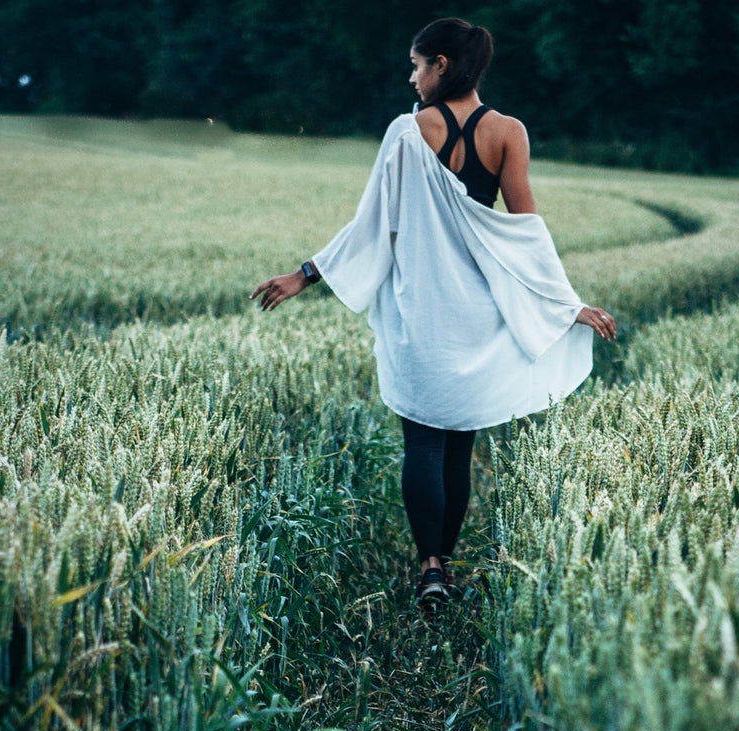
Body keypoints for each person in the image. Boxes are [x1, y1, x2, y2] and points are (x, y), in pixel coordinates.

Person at [250, 16, 617, 609]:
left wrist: (306, 274)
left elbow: (372, 223)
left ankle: (430, 568)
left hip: (420, 312)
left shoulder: (405, 131)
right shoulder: (508, 132)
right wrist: (564, 305)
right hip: (478, 314)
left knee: (421, 442)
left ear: (441, 64)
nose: (412, 76)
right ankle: (443, 570)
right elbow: (524, 232)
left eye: (418, 64)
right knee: (459, 443)